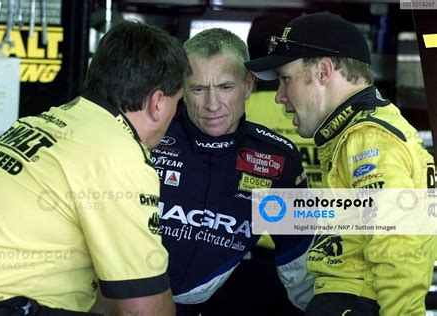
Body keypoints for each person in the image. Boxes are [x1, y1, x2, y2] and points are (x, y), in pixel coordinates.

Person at [0, 20, 191, 315]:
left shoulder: (44, 122)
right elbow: (144, 309)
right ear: (158, 103)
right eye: (178, 103)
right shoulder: (119, 156)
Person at [245, 11, 437, 315]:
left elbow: (398, 247)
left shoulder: (368, 139)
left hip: (354, 301)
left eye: (285, 80)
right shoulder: (361, 131)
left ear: (323, 71)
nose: (279, 96)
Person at [151, 28, 313, 315]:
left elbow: (297, 256)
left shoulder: (277, 159)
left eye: (226, 87)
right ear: (181, 88)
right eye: (199, 88)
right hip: (119, 299)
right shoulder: (149, 134)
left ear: (248, 85)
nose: (212, 105)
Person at [245, 12, 321, 189]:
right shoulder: (324, 107)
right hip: (325, 212)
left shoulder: (235, 110)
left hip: (264, 212)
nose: (281, 98)